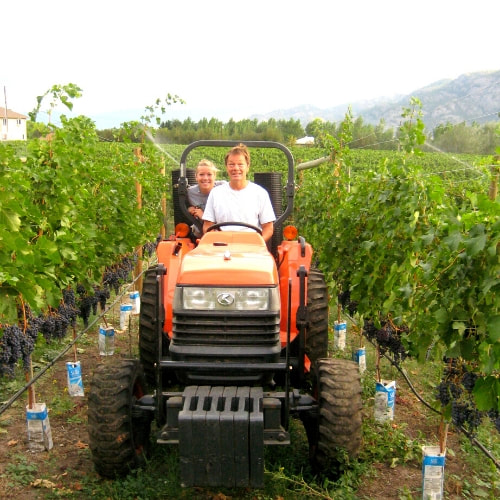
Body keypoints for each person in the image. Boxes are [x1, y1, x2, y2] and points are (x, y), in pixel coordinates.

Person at [202, 143, 276, 242]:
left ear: (247, 166)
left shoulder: (260, 193)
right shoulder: (216, 193)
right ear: (226, 167)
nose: (236, 168)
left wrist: (258, 243)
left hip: (251, 244)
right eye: (231, 164)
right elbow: (208, 226)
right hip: (222, 244)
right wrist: (216, 239)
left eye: (240, 164)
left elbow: (268, 228)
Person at [187, 159, 225, 238]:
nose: (205, 178)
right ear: (196, 177)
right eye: (201, 174)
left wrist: (204, 216)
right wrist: (189, 209)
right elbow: (185, 206)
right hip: (200, 233)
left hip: (221, 232)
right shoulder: (190, 192)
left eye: (209, 174)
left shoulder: (223, 188)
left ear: (215, 176)